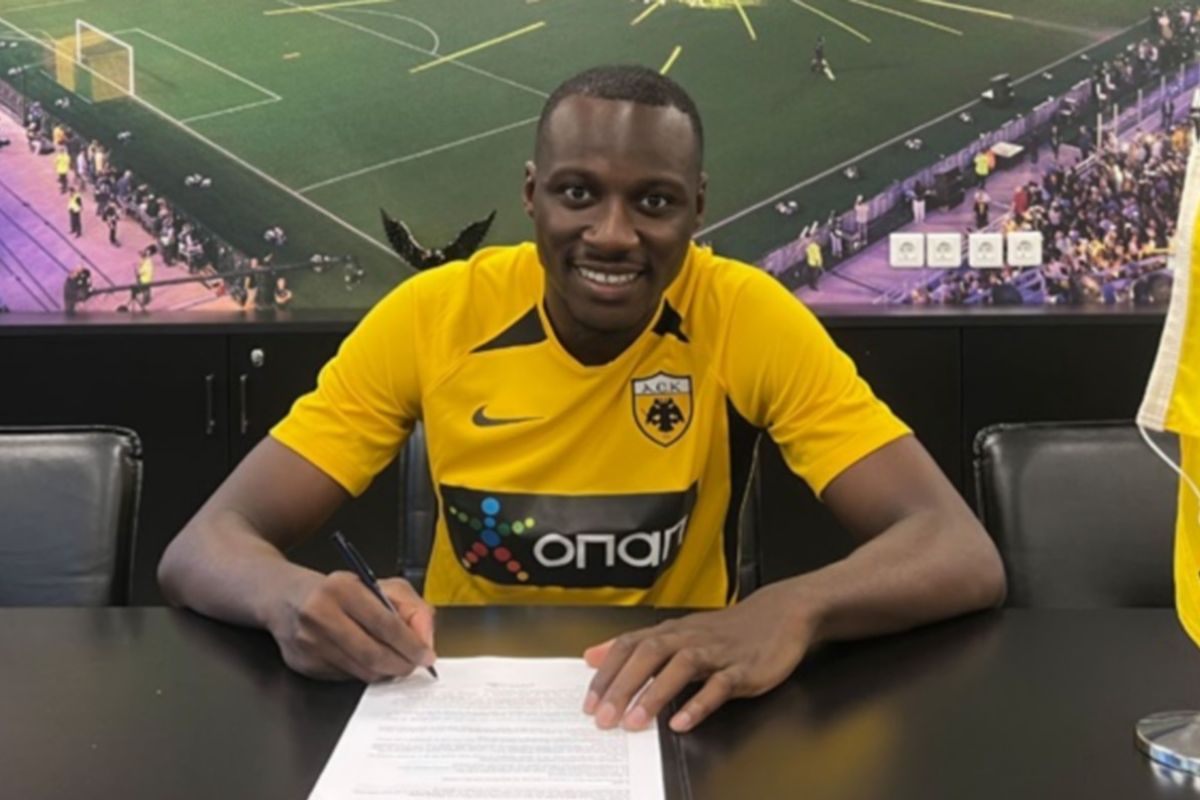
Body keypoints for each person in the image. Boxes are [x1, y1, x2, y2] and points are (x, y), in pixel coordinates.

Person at [158, 65, 1004, 734]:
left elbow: (959, 551)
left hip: (669, 707)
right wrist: (289, 598)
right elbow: (202, 547)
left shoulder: (743, 314)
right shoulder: (434, 314)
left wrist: (791, 608)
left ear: (697, 208)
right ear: (531, 195)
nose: (612, 233)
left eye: (654, 202)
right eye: (577, 194)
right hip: (458, 705)